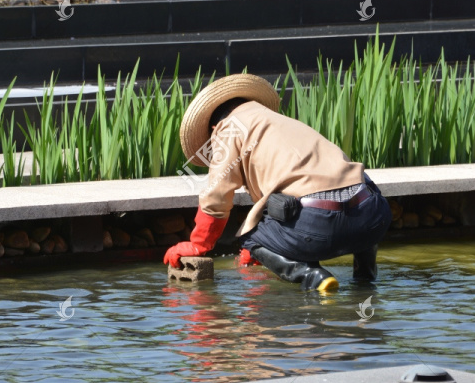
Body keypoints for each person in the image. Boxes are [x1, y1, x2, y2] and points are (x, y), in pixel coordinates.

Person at [163, 74, 392, 291]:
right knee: (357, 191)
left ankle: (311, 276)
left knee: (248, 237)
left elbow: (216, 197)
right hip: (373, 218)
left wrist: (198, 245)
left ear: (212, 129)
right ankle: (365, 277)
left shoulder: (227, 129)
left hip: (319, 227)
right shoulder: (280, 122)